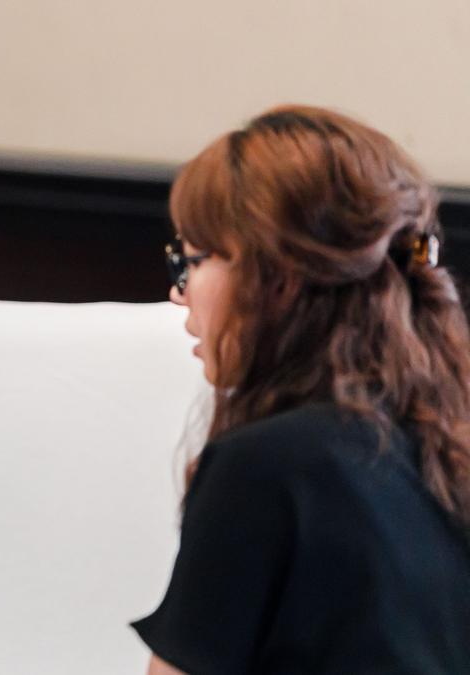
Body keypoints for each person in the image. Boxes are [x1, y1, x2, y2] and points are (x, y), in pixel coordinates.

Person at [134, 105, 470, 673]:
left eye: (192, 260)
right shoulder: (445, 447)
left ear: (278, 278)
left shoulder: (261, 467)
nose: (179, 292)